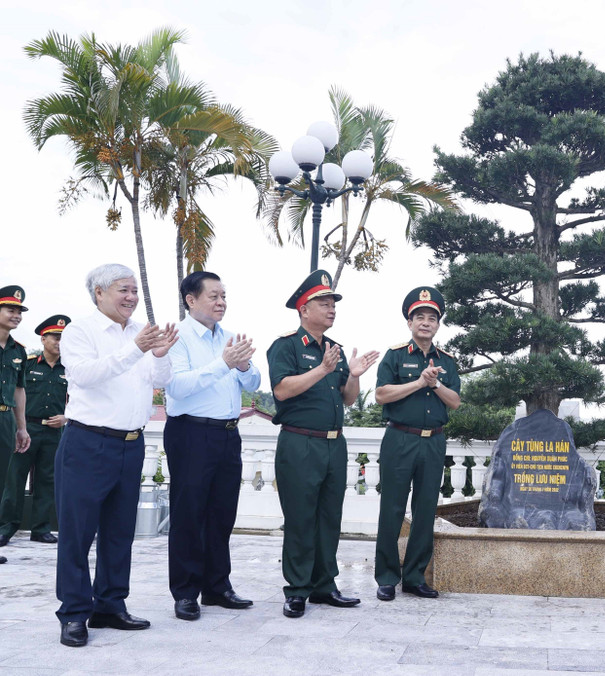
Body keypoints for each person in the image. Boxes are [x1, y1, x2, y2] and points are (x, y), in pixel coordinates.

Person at [54, 264, 178, 648]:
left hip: (131, 443)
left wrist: (157, 353)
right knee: (78, 533)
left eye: (134, 290)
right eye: (123, 290)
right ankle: (75, 613)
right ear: (100, 293)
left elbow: (160, 381)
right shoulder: (80, 331)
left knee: (119, 531)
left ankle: (110, 603)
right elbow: (86, 375)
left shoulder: (139, 332)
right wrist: (136, 348)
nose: (131, 297)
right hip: (87, 442)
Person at [267, 269, 379, 619]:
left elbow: (346, 399)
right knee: (300, 519)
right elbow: (282, 390)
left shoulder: (336, 350)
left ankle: (325, 585)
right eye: (324, 303)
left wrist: (356, 376)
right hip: (300, 444)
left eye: (333, 303)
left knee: (329, 518)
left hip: (334, 445)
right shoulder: (285, 346)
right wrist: (321, 370)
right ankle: (297, 589)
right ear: (304, 308)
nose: (331, 308)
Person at [164, 271, 260, 621]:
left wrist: (244, 363)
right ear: (191, 300)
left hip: (227, 434)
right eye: (214, 296)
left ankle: (217, 587)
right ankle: (186, 592)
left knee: (222, 513)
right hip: (190, 432)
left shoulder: (231, 337)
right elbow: (178, 387)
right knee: (189, 513)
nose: (221, 303)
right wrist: (224, 363)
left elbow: (253, 381)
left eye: (224, 296)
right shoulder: (177, 337)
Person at [374, 287, 461, 601]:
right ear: (409, 323)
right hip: (400, 438)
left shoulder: (447, 361)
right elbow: (382, 394)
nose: (425, 323)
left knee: (425, 510)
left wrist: (435, 383)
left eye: (432, 318)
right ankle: (386, 576)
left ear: (438, 325)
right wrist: (419, 382)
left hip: (433, 442)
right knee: (393, 508)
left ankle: (414, 577)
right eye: (419, 317)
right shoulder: (395, 356)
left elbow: (455, 402)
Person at [0, 314, 70, 547]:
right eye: (55, 337)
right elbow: (15, 390)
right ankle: (7, 528)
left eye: (63, 337)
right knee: (14, 479)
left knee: (47, 480)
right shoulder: (27, 362)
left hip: (53, 432)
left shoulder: (70, 368)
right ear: (43, 338)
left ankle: (41, 529)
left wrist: (67, 417)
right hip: (25, 428)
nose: (59, 342)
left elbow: (81, 399)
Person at [0, 285, 31, 564]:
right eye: (10, 309)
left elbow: (19, 391)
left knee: (1, 482)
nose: (16, 315)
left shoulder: (17, 351)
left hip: (4, 418)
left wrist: (21, 427)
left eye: (19, 311)